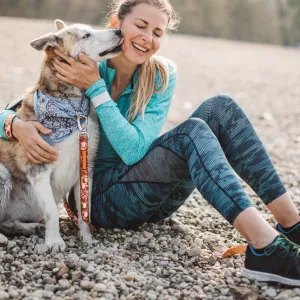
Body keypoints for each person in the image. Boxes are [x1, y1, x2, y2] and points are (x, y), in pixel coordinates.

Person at [1, 0, 300, 286]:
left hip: (150, 195)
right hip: (98, 202)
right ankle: (265, 248)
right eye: (140, 26)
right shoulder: (87, 61)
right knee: (190, 132)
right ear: (117, 23)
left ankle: (292, 226)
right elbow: (23, 105)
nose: (147, 38)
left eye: (157, 32)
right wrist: (15, 125)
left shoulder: (160, 74)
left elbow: (134, 151)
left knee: (220, 108)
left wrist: (96, 90)